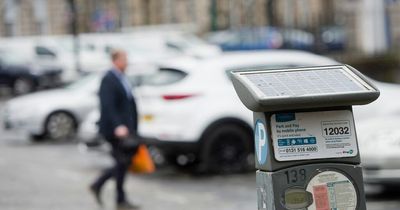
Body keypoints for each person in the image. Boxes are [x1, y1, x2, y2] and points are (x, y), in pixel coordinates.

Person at [90, 49, 140, 210]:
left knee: (123, 163)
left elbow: (128, 103)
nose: (127, 62)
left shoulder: (122, 78)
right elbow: (108, 106)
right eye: (124, 59)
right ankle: (105, 189)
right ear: (115, 60)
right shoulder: (109, 79)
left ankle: (117, 197)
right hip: (114, 130)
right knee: (122, 162)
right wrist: (118, 126)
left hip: (126, 128)